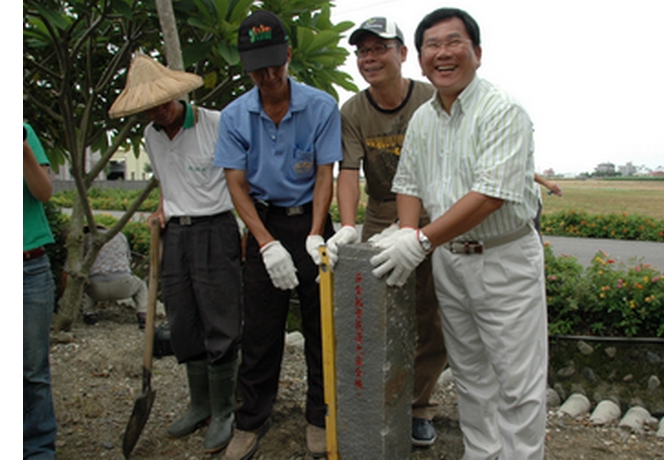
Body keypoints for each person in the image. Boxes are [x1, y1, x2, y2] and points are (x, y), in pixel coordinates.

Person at [369, 8, 548, 460]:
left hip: (504, 259)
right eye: (433, 45)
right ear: (421, 56)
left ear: (478, 53)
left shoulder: (502, 111)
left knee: (517, 380)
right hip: (451, 261)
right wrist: (408, 234)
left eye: (454, 43)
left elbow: (490, 195)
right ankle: (482, 452)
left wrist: (421, 241)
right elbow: (408, 183)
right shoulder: (425, 120)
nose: (443, 53)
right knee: (469, 373)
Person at [213, 10, 340, 460]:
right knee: (262, 330)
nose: (268, 76)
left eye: (274, 64)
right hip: (264, 222)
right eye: (257, 68)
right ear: (246, 66)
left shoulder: (321, 106)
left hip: (310, 223)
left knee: (320, 325)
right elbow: (236, 183)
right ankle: (251, 419)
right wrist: (265, 242)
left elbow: (326, 172)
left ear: (288, 55)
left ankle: (320, 416)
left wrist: (313, 234)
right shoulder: (235, 116)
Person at [108, 53, 243, 454]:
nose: (159, 112)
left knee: (220, 320)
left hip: (216, 228)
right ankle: (199, 404)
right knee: (183, 318)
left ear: (179, 95)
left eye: (164, 103)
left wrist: (246, 229)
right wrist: (163, 207)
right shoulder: (151, 134)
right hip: (176, 236)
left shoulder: (216, 124)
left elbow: (241, 179)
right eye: (150, 108)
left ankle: (223, 411)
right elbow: (169, 181)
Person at [326, 16, 447, 448]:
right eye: (362, 51)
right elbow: (349, 171)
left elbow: (445, 167)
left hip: (435, 212)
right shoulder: (353, 111)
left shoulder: (432, 99)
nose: (370, 58)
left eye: (380, 48)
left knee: (430, 314)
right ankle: (377, 401)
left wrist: (413, 226)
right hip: (379, 214)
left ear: (402, 54)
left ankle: (418, 405)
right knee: (378, 310)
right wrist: (347, 226)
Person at [24, 122, 57, 459]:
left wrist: (22, 147)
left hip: (28, 265)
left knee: (33, 370)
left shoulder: (24, 131)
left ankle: (38, 449)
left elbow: (44, 192)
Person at [64, 225, 149, 329]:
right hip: (122, 286)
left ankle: (90, 314)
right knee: (140, 285)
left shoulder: (84, 240)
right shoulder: (120, 236)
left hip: (96, 290)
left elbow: (70, 270)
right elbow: (128, 259)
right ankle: (143, 314)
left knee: (87, 283)